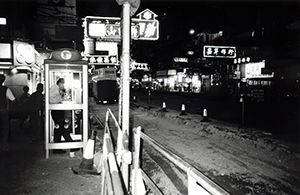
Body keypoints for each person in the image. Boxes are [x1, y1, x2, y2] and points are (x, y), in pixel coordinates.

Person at [49, 78, 75, 154]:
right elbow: (50, 98)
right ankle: (71, 146)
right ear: (60, 83)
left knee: (60, 129)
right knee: (61, 128)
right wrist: (59, 102)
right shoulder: (54, 88)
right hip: (56, 111)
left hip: (58, 111)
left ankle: (59, 148)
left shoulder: (58, 90)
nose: (63, 86)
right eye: (63, 84)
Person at [0, 74, 16, 150]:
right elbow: (13, 99)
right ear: (3, 80)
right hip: (3, 111)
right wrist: (8, 106)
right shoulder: (6, 89)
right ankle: (4, 143)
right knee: (5, 127)